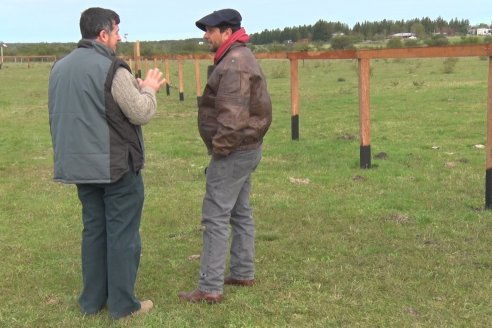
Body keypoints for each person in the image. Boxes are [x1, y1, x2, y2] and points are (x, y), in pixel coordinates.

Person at [48, 7, 165, 319]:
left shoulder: (59, 67)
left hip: (79, 167)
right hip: (115, 168)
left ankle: (92, 301)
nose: (118, 39)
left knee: (94, 232)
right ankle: (124, 305)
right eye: (116, 32)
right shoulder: (113, 68)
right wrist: (149, 89)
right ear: (103, 34)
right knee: (122, 235)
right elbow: (140, 112)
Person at [178, 8, 272, 303]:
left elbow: (231, 118)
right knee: (240, 211)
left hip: (234, 151)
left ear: (227, 33)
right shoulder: (238, 57)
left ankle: (209, 287)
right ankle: (243, 272)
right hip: (246, 149)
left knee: (215, 216)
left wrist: (219, 152)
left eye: (210, 30)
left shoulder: (234, 63)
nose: (206, 36)